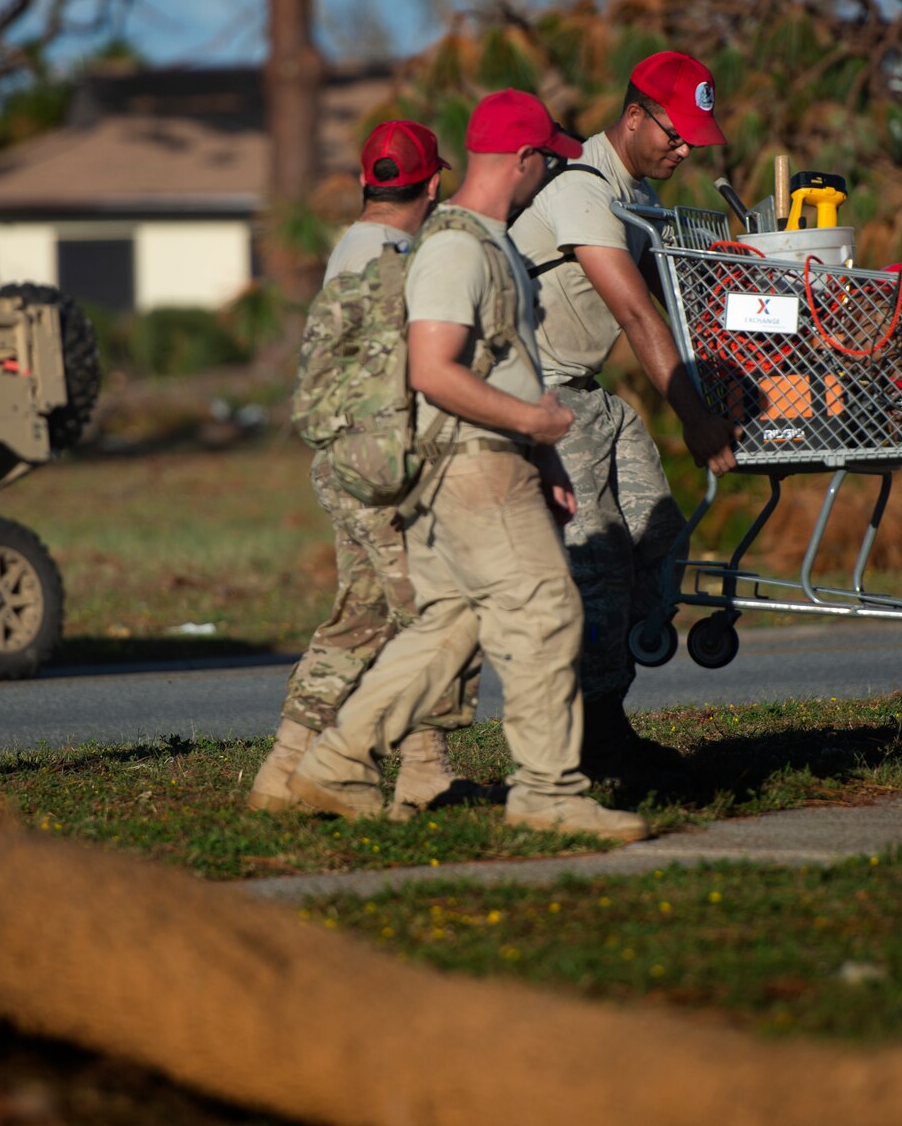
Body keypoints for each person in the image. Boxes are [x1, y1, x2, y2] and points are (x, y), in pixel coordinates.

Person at [286, 89, 653, 844]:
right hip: (474, 466)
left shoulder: (489, 245)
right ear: (519, 159)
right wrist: (533, 422)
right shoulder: (455, 248)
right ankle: (549, 791)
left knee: (444, 628)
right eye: (547, 159)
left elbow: (505, 361)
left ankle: (336, 762)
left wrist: (546, 452)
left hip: (502, 457)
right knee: (548, 612)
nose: (552, 171)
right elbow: (433, 370)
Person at [507, 50, 743, 791]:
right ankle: (586, 746)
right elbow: (635, 310)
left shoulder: (635, 196)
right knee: (599, 563)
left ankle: (606, 715)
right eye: (674, 133)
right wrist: (697, 419)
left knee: (659, 539)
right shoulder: (581, 185)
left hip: (590, 394)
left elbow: (674, 309)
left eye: (693, 141)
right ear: (634, 114)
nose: (683, 149)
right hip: (542, 398)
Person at [248, 120, 480, 814]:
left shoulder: (349, 249)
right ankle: (422, 770)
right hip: (388, 470)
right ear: (434, 182)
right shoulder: (406, 261)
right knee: (436, 612)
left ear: (365, 183)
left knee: (361, 617)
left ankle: (282, 770)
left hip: (342, 464)